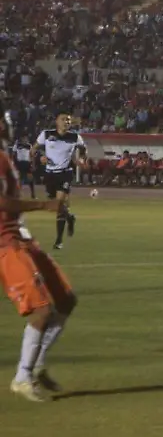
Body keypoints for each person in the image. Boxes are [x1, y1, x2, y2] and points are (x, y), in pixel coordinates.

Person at [0, 104, 78, 402]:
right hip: (5, 243)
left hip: (21, 237)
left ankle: (37, 363)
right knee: (43, 311)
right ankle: (22, 377)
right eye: (5, 120)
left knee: (66, 300)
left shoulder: (5, 156)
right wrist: (43, 205)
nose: (10, 124)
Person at [33, 113, 85, 251]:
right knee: (54, 205)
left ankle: (58, 240)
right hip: (49, 174)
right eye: (63, 119)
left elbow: (83, 149)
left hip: (65, 173)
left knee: (59, 203)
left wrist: (82, 160)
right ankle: (70, 218)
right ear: (56, 121)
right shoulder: (46, 134)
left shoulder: (75, 137)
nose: (66, 122)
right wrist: (40, 158)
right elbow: (34, 149)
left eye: (68, 120)